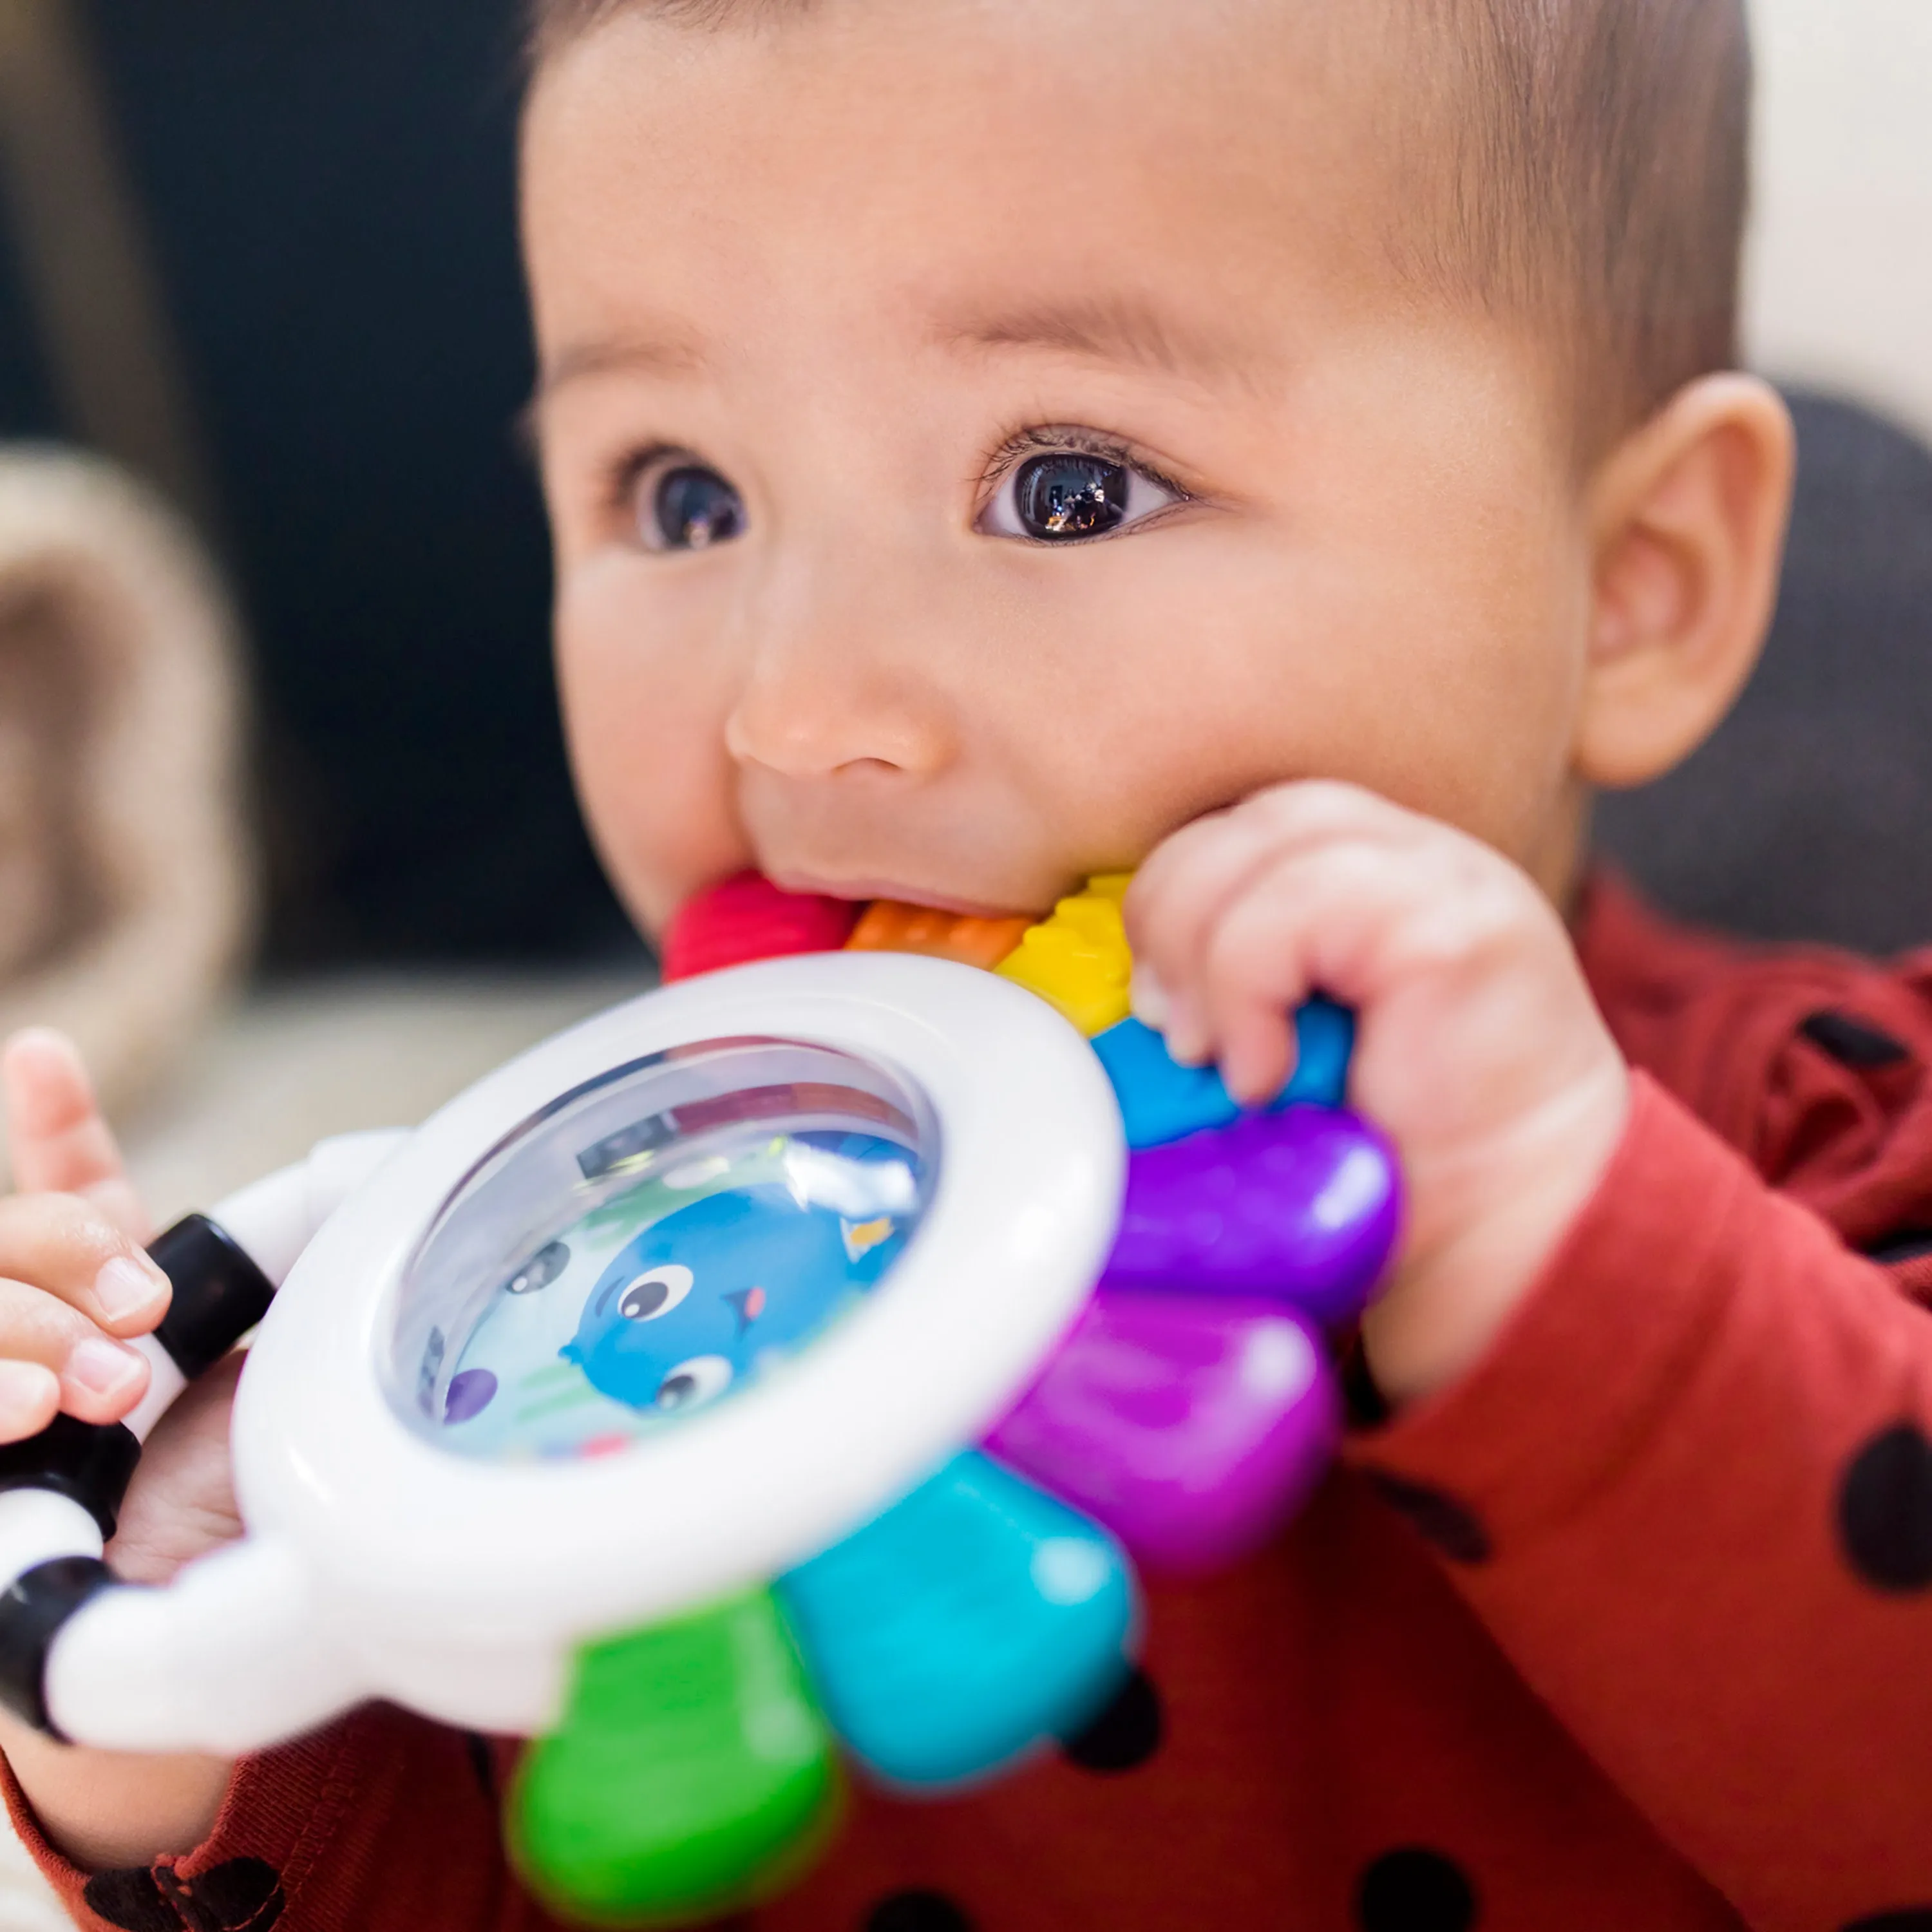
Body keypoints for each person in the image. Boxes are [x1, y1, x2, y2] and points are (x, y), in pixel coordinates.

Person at [1, 1, 1929, 1926]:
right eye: (685, 494)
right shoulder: (622, 1295)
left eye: (1068, 484)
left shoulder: (1841, 1130)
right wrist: (203, 1684)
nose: (800, 710)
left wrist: (1556, 1240)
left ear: (1635, 586)